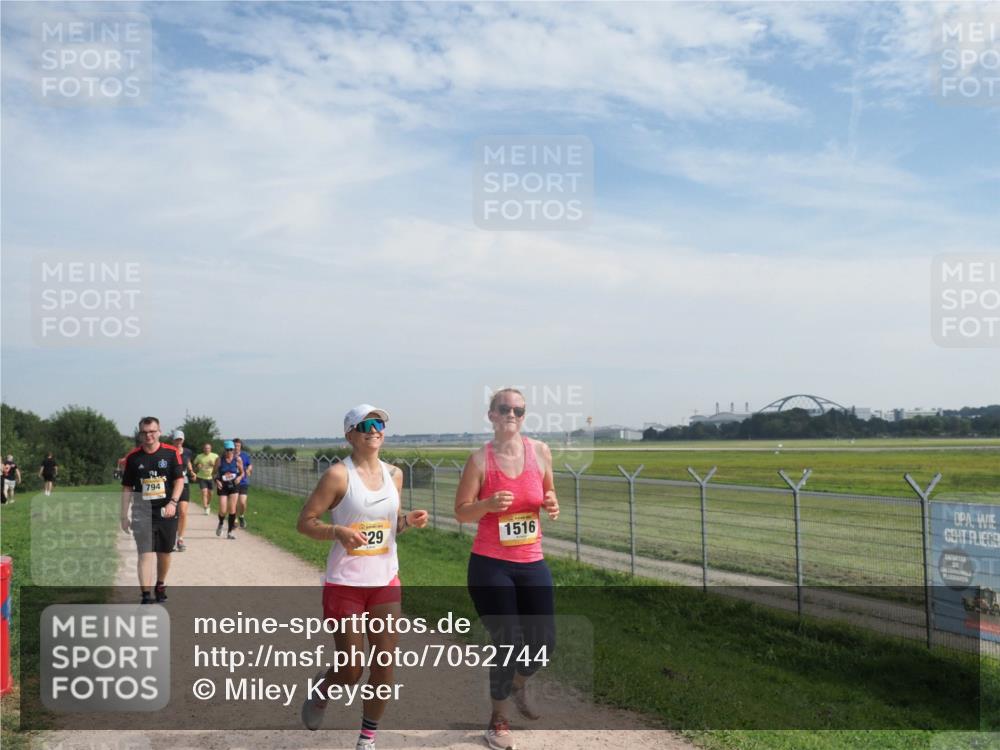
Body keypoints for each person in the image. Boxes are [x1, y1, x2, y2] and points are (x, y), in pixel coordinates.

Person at [296, 404, 428, 749]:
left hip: (385, 581)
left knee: (384, 664)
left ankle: (367, 737)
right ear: (350, 434)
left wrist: (407, 522)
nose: (375, 429)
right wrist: (337, 531)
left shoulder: (395, 475)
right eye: (366, 424)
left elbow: (389, 528)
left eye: (380, 423)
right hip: (346, 585)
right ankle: (324, 686)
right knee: (351, 671)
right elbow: (305, 522)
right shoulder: (339, 476)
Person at [454, 388, 560, 750]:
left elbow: (548, 494)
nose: (512, 413)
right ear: (492, 415)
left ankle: (515, 686)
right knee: (508, 641)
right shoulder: (480, 460)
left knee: (543, 643)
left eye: (518, 409)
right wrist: (486, 504)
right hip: (490, 566)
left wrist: (551, 504)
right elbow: (461, 511)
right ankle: (498, 720)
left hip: (532, 562)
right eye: (505, 408)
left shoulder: (541, 452)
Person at [120, 416, 184, 604]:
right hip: (142, 511)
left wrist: (173, 502)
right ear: (140, 434)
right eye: (145, 432)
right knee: (145, 553)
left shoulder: (171, 453)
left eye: (152, 432)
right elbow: (127, 488)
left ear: (159, 432)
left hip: (166, 510)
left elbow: (179, 480)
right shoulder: (133, 457)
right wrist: (123, 515)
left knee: (164, 552)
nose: (149, 436)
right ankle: (146, 595)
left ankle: (160, 583)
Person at [170, 430, 195, 551]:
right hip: (171, 485)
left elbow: (188, 462)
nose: (178, 442)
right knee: (171, 513)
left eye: (180, 439)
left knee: (183, 512)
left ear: (183, 440)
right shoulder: (168, 452)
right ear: (173, 440)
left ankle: (180, 539)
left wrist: (191, 472)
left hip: (184, 484)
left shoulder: (187, 452)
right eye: (176, 439)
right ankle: (171, 538)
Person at [214, 440, 244, 540]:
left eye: (231, 450)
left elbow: (242, 472)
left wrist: (239, 478)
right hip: (223, 486)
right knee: (222, 510)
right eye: (227, 450)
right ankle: (221, 522)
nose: (229, 452)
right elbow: (214, 473)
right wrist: (217, 481)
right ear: (224, 450)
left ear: (234, 450)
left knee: (232, 509)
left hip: (234, 486)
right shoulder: (219, 460)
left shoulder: (238, 459)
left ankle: (230, 532)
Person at [192, 442, 219, 516]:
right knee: (204, 492)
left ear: (211, 449)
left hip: (211, 477)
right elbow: (194, 465)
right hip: (202, 477)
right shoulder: (199, 456)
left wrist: (213, 465)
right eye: (205, 448)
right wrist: (198, 466)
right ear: (203, 449)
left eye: (208, 448)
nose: (207, 449)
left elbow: (219, 466)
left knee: (210, 493)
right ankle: (205, 508)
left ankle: (208, 504)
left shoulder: (215, 456)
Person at [233, 438, 253, 529]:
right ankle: (234, 519)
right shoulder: (229, 455)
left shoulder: (245, 455)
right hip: (232, 482)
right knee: (234, 502)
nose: (236, 447)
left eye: (238, 446)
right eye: (235, 445)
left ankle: (241, 516)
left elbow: (249, 464)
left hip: (243, 481)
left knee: (242, 502)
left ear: (241, 446)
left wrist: (248, 469)